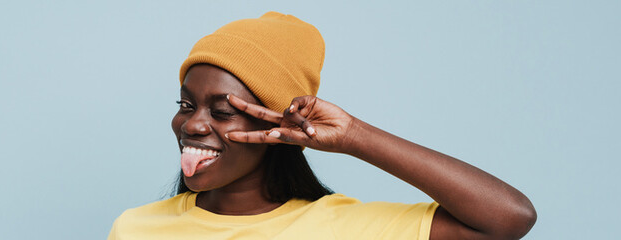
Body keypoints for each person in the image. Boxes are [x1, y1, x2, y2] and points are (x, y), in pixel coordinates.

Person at [108, 11, 536, 240]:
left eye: (222, 111)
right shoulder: (135, 229)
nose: (193, 125)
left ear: (276, 125)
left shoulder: (341, 229)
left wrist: (354, 137)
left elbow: (508, 220)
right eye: (186, 104)